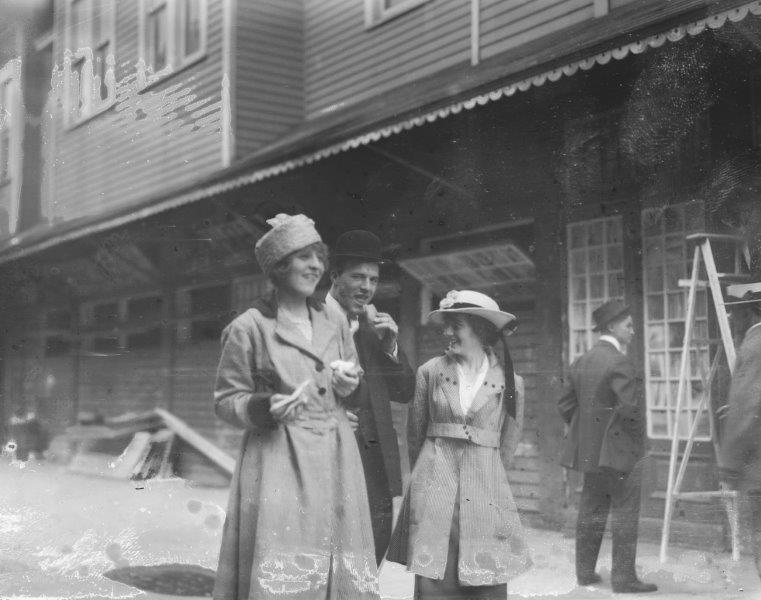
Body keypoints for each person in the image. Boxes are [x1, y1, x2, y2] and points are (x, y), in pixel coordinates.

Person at [212, 214, 380, 600]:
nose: (315, 266)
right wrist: (264, 407)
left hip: (337, 455)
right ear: (278, 266)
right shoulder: (249, 327)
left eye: (318, 257)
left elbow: (354, 380)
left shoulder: (333, 316)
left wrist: (350, 385)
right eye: (303, 257)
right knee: (286, 564)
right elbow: (226, 401)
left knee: (339, 567)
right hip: (278, 459)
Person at [386, 290, 532, 599]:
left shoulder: (511, 383)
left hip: (485, 492)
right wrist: (426, 481)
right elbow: (416, 435)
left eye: (456, 325)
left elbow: (507, 446)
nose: (447, 332)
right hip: (435, 488)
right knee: (434, 582)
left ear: (481, 330)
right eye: (446, 325)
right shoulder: (430, 373)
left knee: (484, 578)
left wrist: (485, 477)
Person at [324, 230, 415, 565]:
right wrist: (326, 412)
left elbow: (406, 392)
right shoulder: (311, 320)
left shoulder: (372, 326)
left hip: (375, 458)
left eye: (373, 280)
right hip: (327, 452)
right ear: (334, 276)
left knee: (373, 550)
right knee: (329, 553)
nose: (366, 287)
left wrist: (390, 345)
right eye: (357, 276)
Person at [557, 300, 657, 594]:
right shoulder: (619, 361)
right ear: (612, 326)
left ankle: (585, 573)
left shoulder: (582, 361)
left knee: (591, 508)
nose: (632, 330)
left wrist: (589, 431)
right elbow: (630, 410)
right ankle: (624, 579)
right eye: (628, 325)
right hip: (620, 452)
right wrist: (637, 444)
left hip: (590, 453)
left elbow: (565, 405)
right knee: (626, 510)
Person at [718, 284, 761, 581]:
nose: (732, 322)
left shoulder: (754, 346)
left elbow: (747, 407)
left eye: (735, 315)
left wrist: (729, 464)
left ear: (749, 313)